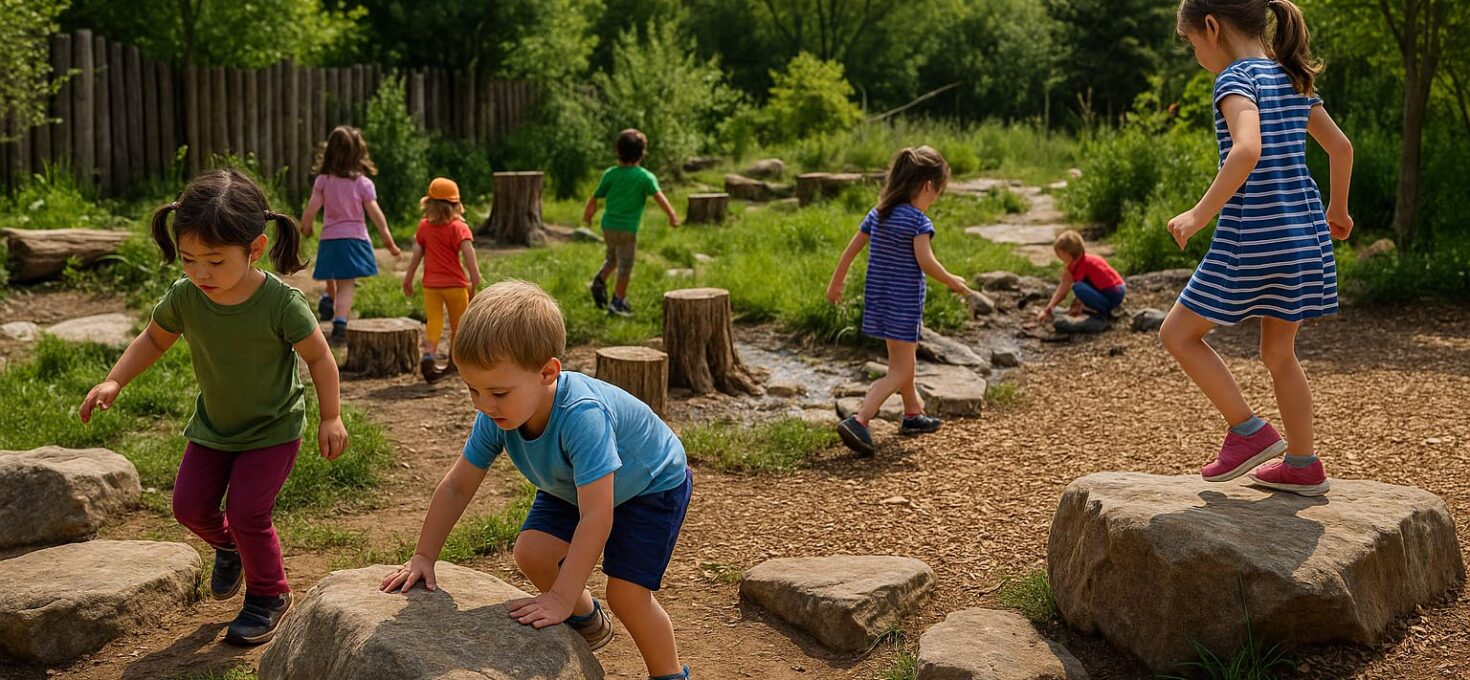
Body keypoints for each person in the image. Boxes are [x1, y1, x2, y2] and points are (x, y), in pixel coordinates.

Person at [79, 169, 348, 644]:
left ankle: (270, 594)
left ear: (255, 249)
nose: (201, 272)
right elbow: (153, 338)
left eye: (215, 261)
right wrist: (114, 380)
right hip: (215, 426)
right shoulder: (186, 297)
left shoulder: (281, 303)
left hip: (273, 428)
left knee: (248, 511)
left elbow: (320, 358)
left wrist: (331, 416)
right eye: (189, 259)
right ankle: (230, 548)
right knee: (188, 508)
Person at [379, 280, 693, 680]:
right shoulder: (497, 414)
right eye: (472, 389)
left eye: (496, 392)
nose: (482, 404)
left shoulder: (583, 416)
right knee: (532, 552)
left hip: (649, 483)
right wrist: (424, 556)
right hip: (572, 483)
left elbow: (597, 516)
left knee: (627, 595)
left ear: (547, 372)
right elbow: (458, 486)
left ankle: (667, 674)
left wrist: (559, 595)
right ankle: (587, 620)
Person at [1162, 0, 1354, 496]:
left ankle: (1248, 431)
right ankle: (1303, 463)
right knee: (1279, 352)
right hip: (1304, 234)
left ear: (1211, 27)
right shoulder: (1292, 78)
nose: (1196, 54)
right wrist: (1338, 211)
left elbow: (1247, 149)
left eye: (1192, 44)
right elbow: (1341, 147)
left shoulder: (1234, 80)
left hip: (1254, 235)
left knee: (1179, 334)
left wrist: (1197, 215)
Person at [825, 146, 981, 457]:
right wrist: (953, 281)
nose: (934, 199)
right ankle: (860, 418)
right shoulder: (917, 222)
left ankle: (912, 414)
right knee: (900, 370)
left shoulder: (879, 212)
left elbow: (851, 249)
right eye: (936, 193)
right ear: (927, 186)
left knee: (901, 363)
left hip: (879, 303)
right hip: (903, 306)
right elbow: (926, 262)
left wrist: (836, 282)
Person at [300, 125, 401, 344]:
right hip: (354, 239)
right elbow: (376, 214)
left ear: (329, 151)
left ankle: (329, 301)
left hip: (329, 239)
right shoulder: (362, 183)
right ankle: (340, 322)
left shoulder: (323, 181)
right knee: (346, 284)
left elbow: (312, 207)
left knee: (332, 274)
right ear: (358, 152)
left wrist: (305, 225)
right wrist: (388, 240)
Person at [584, 128, 679, 318]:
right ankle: (618, 303)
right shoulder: (644, 177)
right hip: (627, 230)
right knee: (625, 266)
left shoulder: (610, 174)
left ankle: (599, 280)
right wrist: (672, 216)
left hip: (608, 226)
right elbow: (660, 198)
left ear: (618, 151)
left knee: (612, 259)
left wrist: (588, 217)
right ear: (642, 153)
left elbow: (594, 199)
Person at [402, 177, 481, 382]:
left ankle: (429, 355)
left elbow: (417, 255)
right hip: (456, 285)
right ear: (456, 205)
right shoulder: (459, 228)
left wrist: (408, 278)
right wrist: (475, 278)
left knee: (434, 322)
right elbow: (468, 253)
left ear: (428, 203)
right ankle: (455, 361)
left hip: (431, 286)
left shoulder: (424, 227)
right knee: (459, 324)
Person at [1035, 230, 1127, 333]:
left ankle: (1104, 313)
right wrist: (1048, 309)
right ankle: (1100, 308)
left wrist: (1076, 306)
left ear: (1068, 254)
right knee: (1080, 287)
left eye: (1060, 255)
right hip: (1116, 289)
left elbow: (1076, 289)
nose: (1058, 257)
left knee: (1078, 287)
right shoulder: (1079, 262)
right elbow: (1063, 287)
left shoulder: (1083, 264)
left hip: (1113, 292)